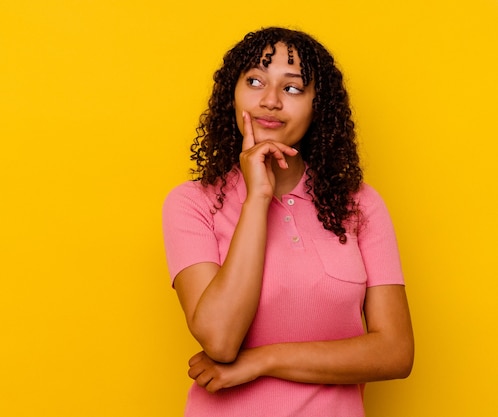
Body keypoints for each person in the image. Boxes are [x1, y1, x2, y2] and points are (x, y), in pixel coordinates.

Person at [162, 27, 414, 417]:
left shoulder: (359, 204)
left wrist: (262, 361)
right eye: (255, 81)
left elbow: (395, 352)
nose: (270, 101)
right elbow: (221, 340)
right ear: (232, 94)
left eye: (292, 88)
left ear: (319, 105)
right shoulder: (193, 203)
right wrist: (258, 198)